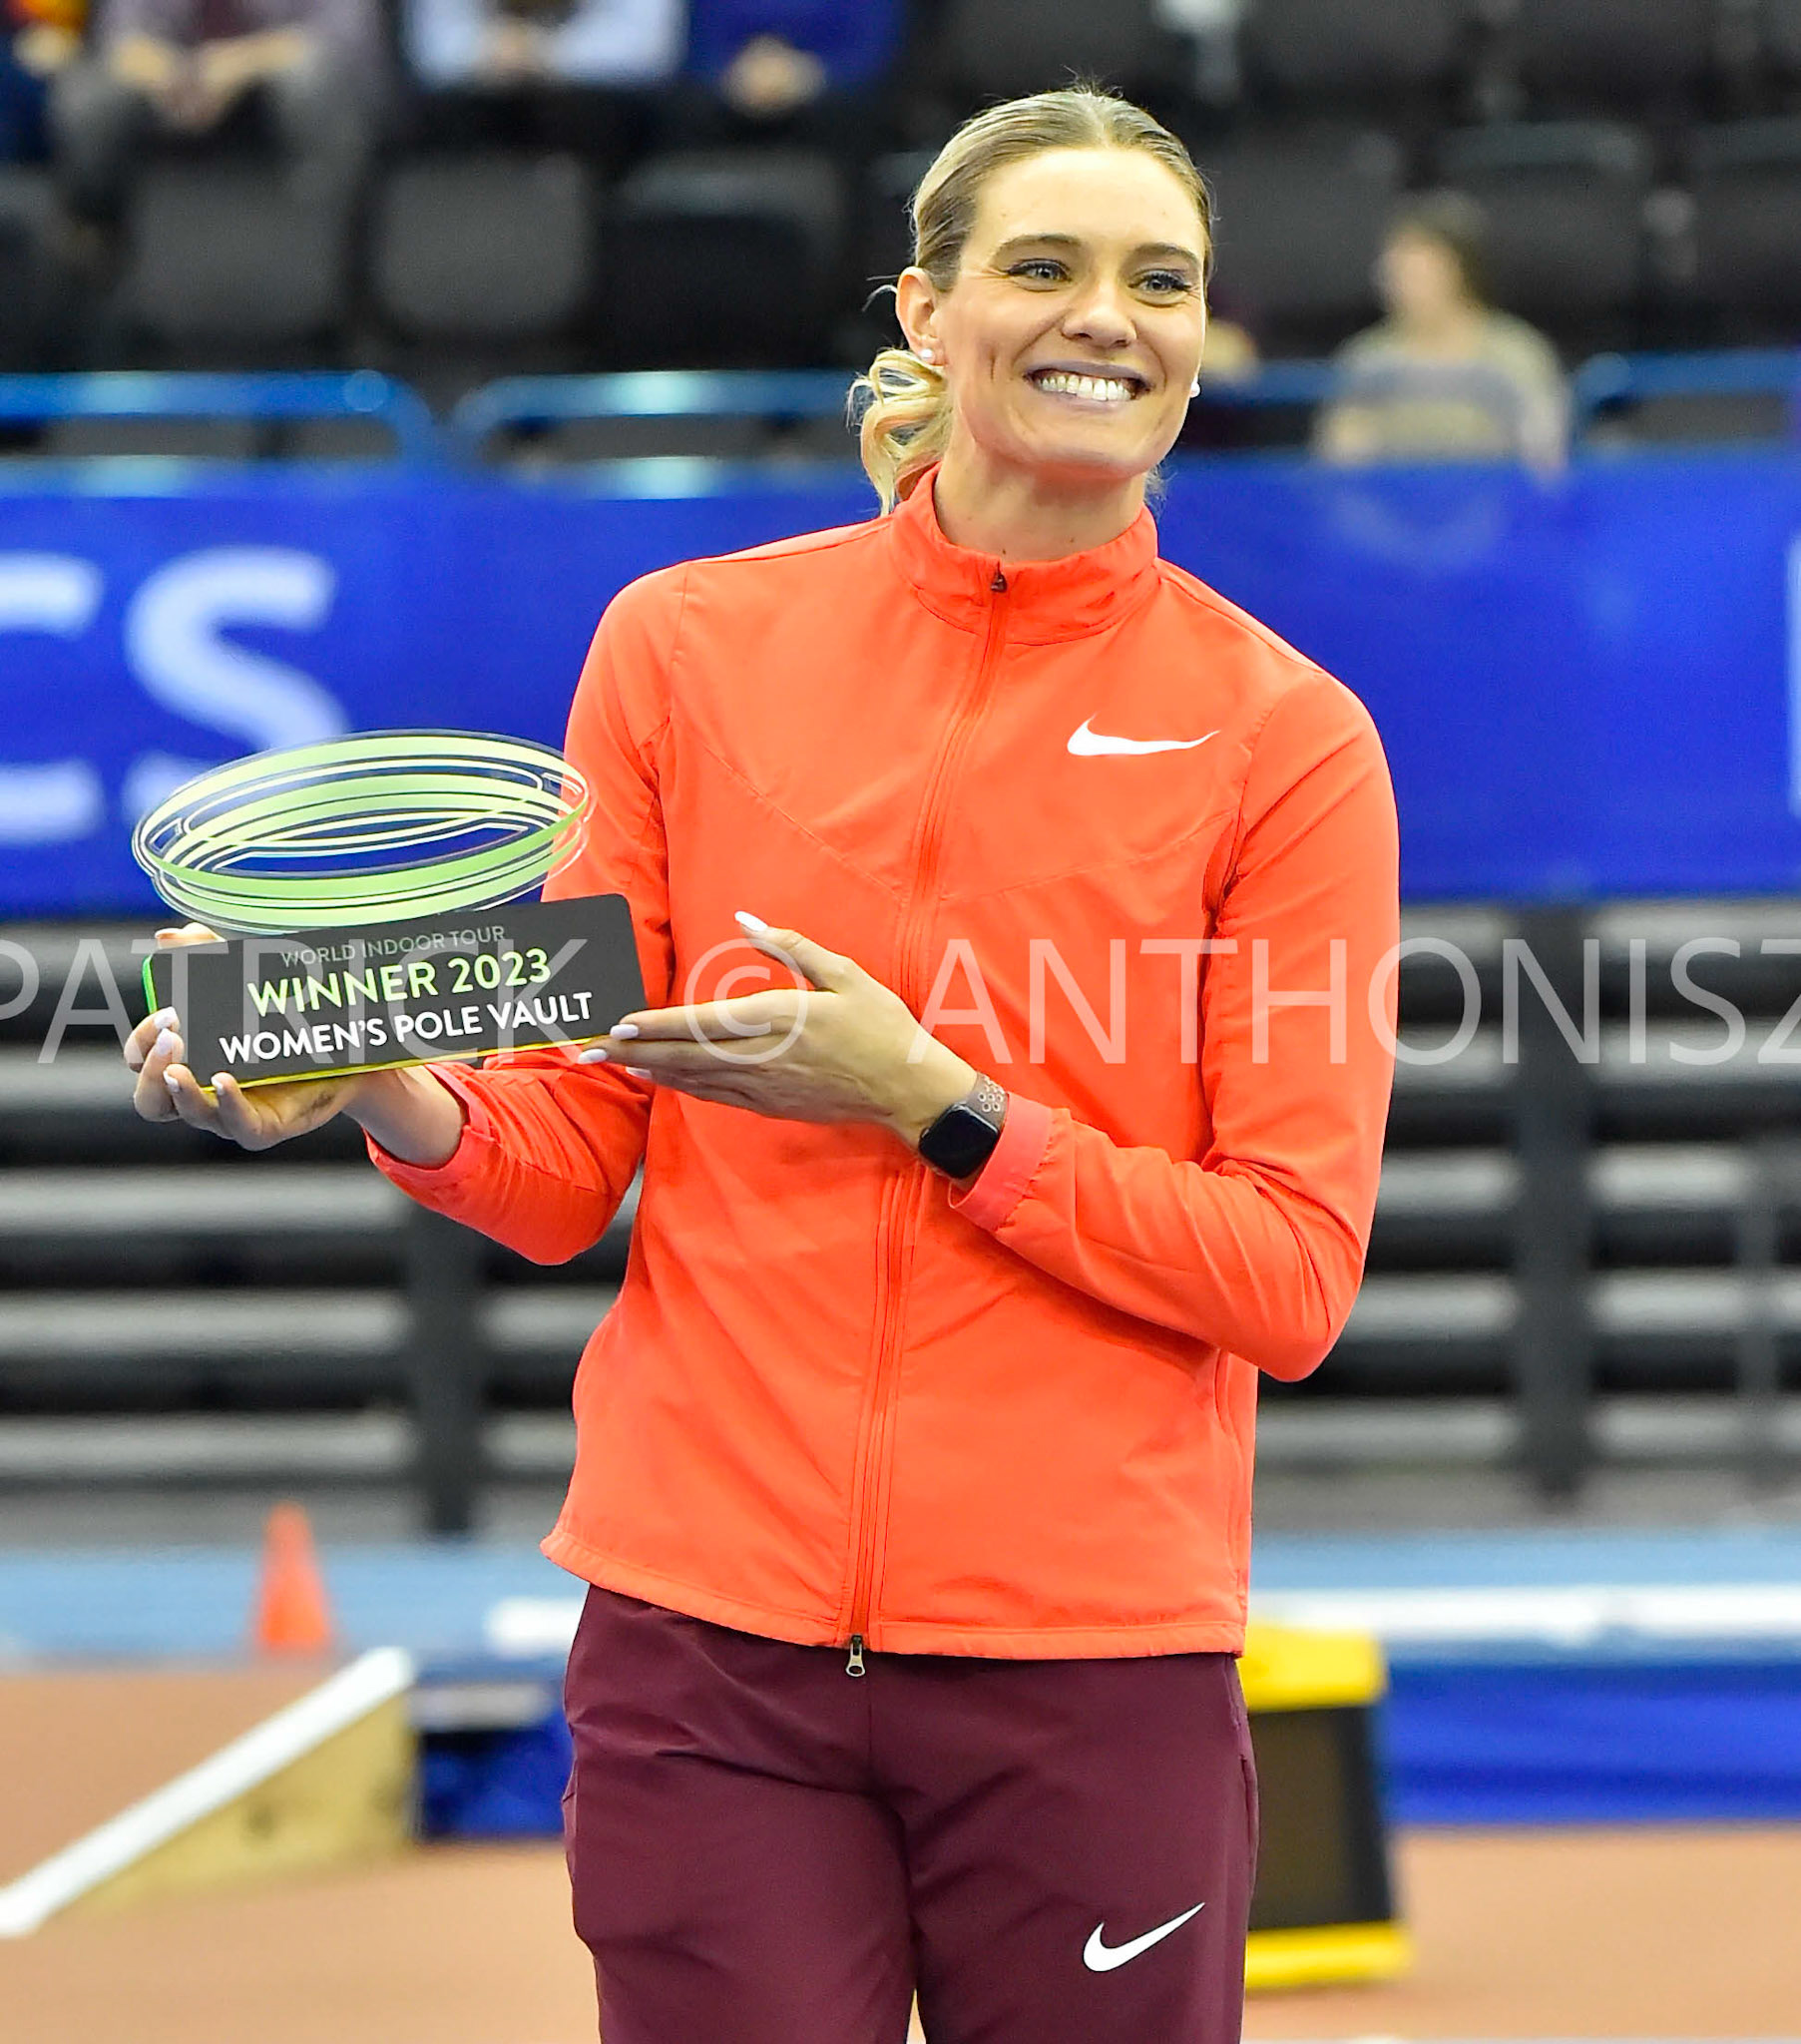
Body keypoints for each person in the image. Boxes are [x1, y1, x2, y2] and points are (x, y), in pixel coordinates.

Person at [127, 85, 1399, 2044]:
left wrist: (933, 1104)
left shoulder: (1284, 743)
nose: (1104, 317)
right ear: (922, 308)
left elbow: (1286, 1277)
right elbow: (561, 1160)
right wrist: (368, 1078)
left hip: (1087, 1660)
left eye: (1158, 279)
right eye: (1039, 266)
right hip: (704, 1645)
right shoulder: (683, 651)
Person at [50, 0, 380, 224]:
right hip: (181, 83)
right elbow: (119, 37)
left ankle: (335, 247)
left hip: (276, 87)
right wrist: (175, 74)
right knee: (87, 94)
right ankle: (94, 232)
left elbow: (347, 38)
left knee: (311, 76)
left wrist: (241, 63)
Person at [1316, 191, 1570, 471]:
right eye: (1395, 260)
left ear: (1458, 267)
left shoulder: (1518, 353)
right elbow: (1341, 467)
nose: (1397, 273)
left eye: (1418, 258)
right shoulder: (1365, 357)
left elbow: (1544, 461)